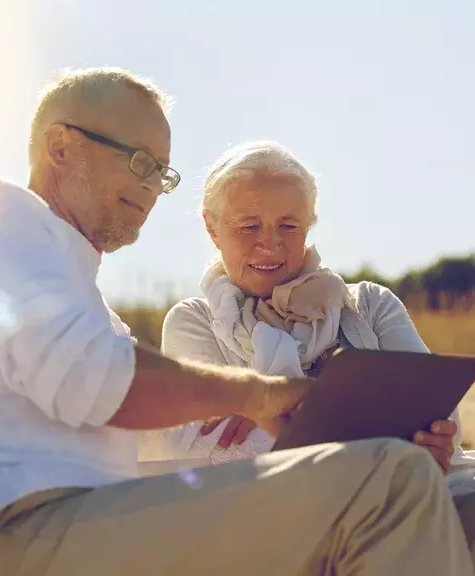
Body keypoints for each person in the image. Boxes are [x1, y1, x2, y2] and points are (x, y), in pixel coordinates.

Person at [0, 69, 472, 576]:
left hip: (82, 518)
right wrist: (259, 393)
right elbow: (98, 381)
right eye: (141, 162)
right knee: (391, 482)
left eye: (164, 173)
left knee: (399, 488)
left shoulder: (91, 308)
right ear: (60, 146)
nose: (152, 186)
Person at [158, 140, 475, 553]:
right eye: (248, 226)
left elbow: (440, 410)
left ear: (309, 224)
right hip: (281, 517)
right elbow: (211, 448)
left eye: (288, 226)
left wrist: (434, 440)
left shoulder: (368, 305)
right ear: (211, 227)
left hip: (418, 487)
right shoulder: (193, 322)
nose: (269, 245)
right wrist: (386, 450)